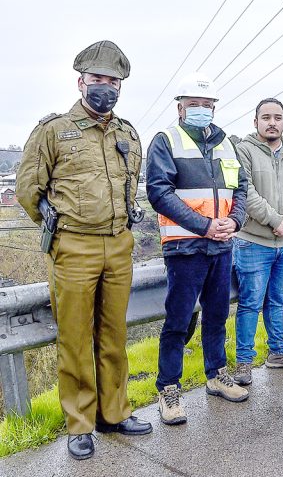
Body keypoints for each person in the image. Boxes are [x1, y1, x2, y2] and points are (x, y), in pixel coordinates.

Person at [16, 41, 151, 460]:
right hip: (74, 246)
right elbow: (27, 190)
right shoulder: (53, 131)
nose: (105, 88)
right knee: (75, 339)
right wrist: (60, 234)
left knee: (113, 336)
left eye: (113, 82)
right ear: (81, 82)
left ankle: (115, 412)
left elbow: (131, 187)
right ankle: (80, 423)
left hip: (119, 244)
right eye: (98, 80)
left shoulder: (128, 133)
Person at [146, 72, 249, 425]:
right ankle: (169, 388)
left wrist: (233, 222)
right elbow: (159, 193)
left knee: (218, 315)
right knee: (178, 320)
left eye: (207, 105)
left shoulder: (226, 144)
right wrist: (205, 226)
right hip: (185, 247)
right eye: (195, 105)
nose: (202, 110)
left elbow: (242, 191)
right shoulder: (165, 141)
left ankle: (216, 374)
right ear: (180, 108)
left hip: (222, 246)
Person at [231, 98, 283, 386]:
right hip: (253, 242)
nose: (272, 122)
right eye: (265, 117)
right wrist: (275, 220)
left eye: (277, 117)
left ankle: (278, 353)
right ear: (255, 121)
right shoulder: (243, 151)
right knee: (250, 303)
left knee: (277, 300)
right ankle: (244, 361)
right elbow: (245, 193)